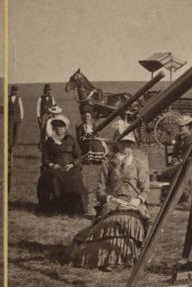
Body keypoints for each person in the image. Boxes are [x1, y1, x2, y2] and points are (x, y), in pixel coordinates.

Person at [67, 132, 151, 270]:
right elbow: (99, 190)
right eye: (123, 142)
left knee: (130, 222)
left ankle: (122, 258)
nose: (126, 146)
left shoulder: (138, 163)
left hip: (134, 204)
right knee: (111, 224)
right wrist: (111, 199)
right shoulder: (108, 163)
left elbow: (146, 189)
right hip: (114, 203)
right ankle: (107, 259)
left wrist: (138, 200)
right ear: (116, 143)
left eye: (129, 143)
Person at [35, 112, 86, 215]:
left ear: (65, 127)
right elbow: (45, 159)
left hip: (70, 167)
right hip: (55, 167)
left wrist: (71, 164)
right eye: (56, 126)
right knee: (52, 177)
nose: (58, 128)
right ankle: (53, 208)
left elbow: (79, 156)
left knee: (74, 178)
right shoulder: (49, 141)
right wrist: (53, 165)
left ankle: (73, 208)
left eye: (61, 126)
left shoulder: (72, 140)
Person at [8, 84, 24, 154]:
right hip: (10, 116)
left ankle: (15, 144)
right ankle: (10, 144)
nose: (14, 92)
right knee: (10, 130)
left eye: (16, 90)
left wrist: (21, 117)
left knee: (16, 130)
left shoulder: (19, 98)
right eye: (13, 90)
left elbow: (21, 108)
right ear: (11, 90)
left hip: (17, 116)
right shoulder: (8, 98)